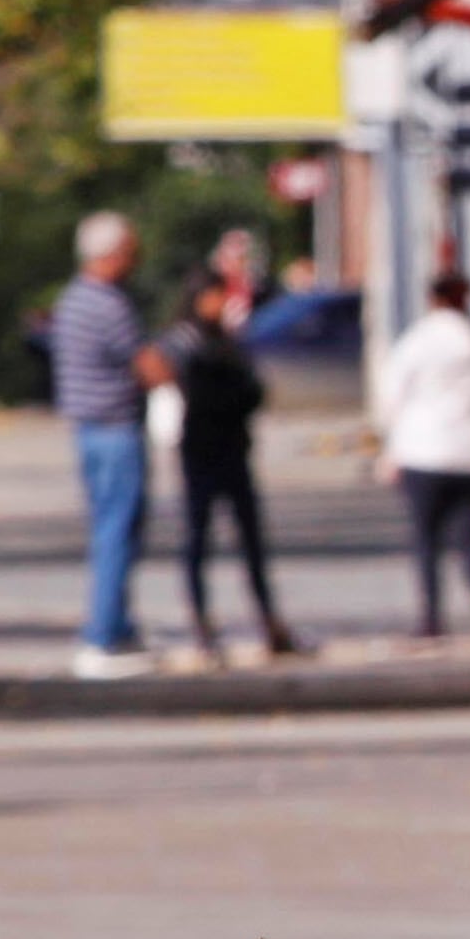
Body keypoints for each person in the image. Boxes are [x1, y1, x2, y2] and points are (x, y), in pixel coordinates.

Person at [49, 211, 170, 679]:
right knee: (117, 532)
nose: (136, 261)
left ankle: (117, 627)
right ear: (112, 254)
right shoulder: (108, 304)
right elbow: (150, 367)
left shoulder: (73, 300)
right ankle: (102, 636)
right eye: (131, 252)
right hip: (115, 429)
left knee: (110, 527)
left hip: (88, 430)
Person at [169, 274, 300, 662]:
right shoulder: (188, 342)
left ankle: (269, 620)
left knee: (251, 540)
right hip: (202, 451)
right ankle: (202, 622)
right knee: (198, 538)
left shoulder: (227, 340)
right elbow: (207, 393)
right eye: (212, 298)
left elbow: (253, 389)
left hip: (233, 450)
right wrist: (235, 394)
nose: (218, 305)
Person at [377, 266, 470, 638]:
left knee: (425, 539)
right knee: (469, 536)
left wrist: (393, 447)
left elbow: (391, 397)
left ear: (432, 300)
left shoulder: (417, 341)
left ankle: (431, 618)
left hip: (424, 454)